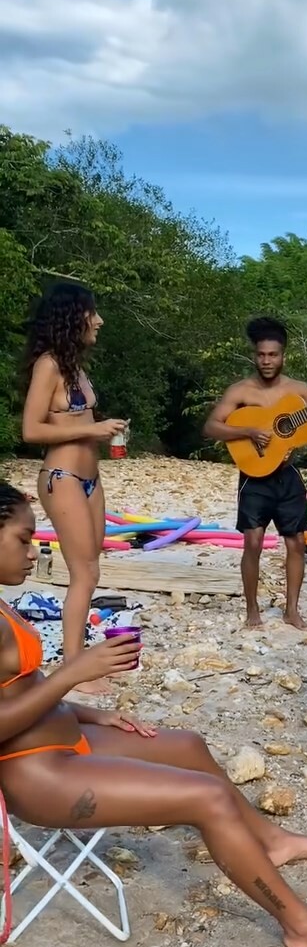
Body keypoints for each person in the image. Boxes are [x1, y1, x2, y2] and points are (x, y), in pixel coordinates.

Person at [0, 482, 307, 947]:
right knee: (207, 798)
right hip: (38, 776)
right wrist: (72, 675)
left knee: (186, 746)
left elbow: (20, 689)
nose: (33, 552)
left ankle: (271, 840)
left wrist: (93, 713)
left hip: (64, 739)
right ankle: (300, 925)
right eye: (23, 539)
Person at [203, 317, 307, 631]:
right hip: (254, 476)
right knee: (253, 542)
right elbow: (210, 427)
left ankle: (291, 610)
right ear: (255, 355)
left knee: (297, 542)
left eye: (273, 355)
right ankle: (252, 610)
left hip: (287, 474)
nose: (267, 360)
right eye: (261, 355)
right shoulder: (241, 390)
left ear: (283, 357)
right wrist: (249, 431)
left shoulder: (298, 391)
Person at [21, 282, 128, 696]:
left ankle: (77, 657)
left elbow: (77, 421)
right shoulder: (48, 365)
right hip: (62, 477)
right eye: (92, 313)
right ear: (72, 317)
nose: (99, 321)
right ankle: (74, 667)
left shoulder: (76, 367)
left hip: (90, 479)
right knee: (84, 573)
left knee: (91, 568)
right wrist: (92, 430)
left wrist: (102, 430)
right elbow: (31, 430)